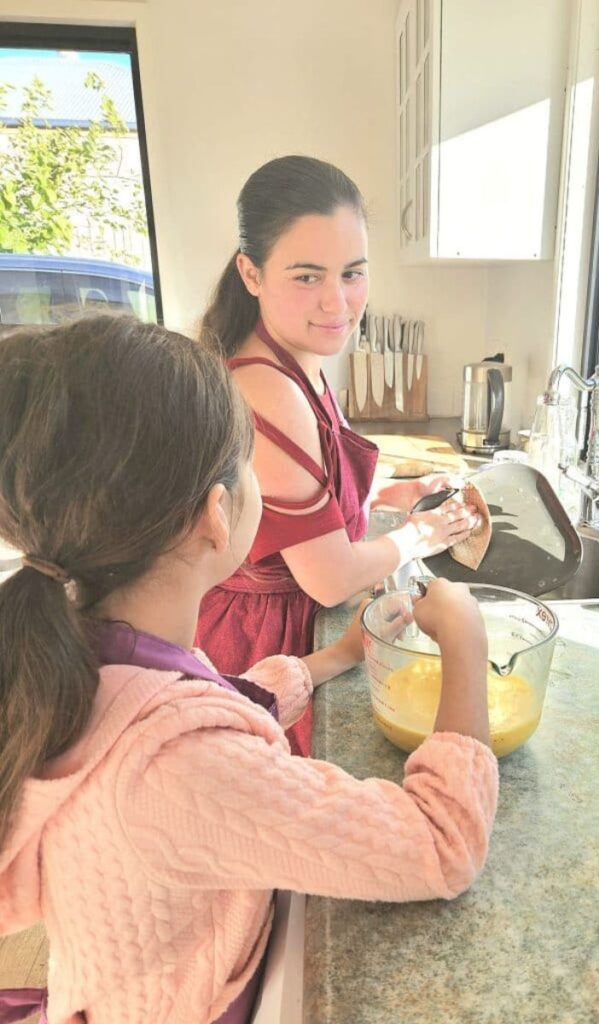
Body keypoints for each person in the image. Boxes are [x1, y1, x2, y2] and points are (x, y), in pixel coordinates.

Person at [0, 316, 497, 1024]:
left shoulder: (86, 648)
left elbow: (208, 699)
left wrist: (334, 657)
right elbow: (440, 845)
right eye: (249, 463)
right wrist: (466, 643)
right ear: (217, 513)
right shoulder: (176, 770)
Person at [197, 156, 477, 756]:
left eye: (352, 273)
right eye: (306, 277)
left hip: (294, 629)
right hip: (268, 645)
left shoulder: (297, 359)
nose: (338, 303)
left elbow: (306, 497)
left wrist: (389, 494)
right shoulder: (266, 387)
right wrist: (421, 533)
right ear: (251, 273)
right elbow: (328, 579)